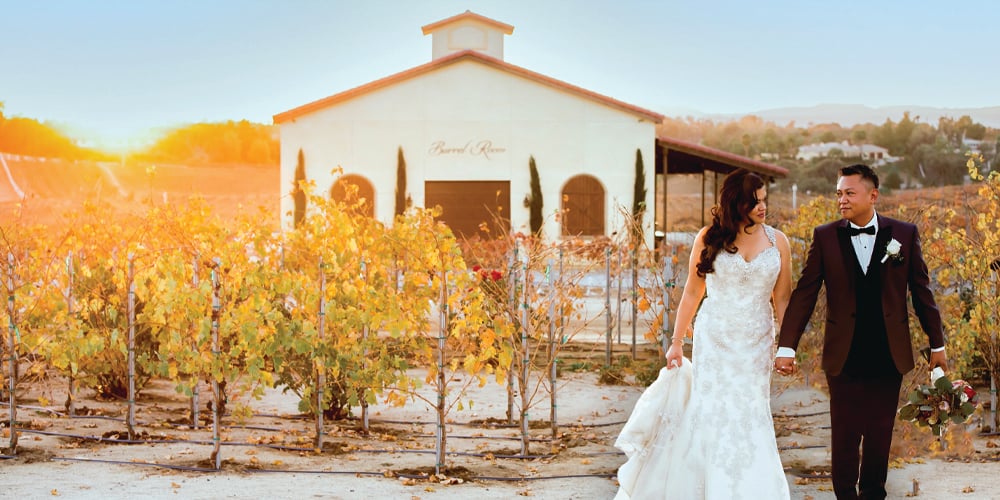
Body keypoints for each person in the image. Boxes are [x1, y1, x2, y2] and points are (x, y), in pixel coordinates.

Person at [614, 169, 792, 499]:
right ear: (736, 203)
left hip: (756, 341)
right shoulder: (709, 238)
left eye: (765, 201)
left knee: (752, 412)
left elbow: (782, 298)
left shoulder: (778, 241)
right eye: (755, 202)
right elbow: (693, 293)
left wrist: (788, 347)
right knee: (712, 411)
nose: (762, 207)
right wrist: (677, 342)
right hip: (716, 339)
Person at [774, 164, 948, 500]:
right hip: (844, 353)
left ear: (873, 195)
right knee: (845, 434)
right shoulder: (824, 236)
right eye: (838, 193)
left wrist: (936, 343)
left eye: (849, 192)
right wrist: (787, 346)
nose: (841, 199)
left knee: (880, 433)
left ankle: (873, 494)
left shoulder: (904, 235)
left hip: (889, 352)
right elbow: (806, 293)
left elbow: (922, 293)